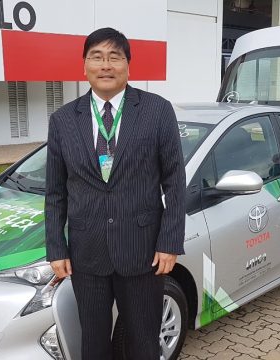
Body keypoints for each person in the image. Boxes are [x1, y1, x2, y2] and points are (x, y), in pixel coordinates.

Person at [45, 27, 186, 360]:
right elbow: (55, 192)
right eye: (97, 56)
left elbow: (174, 181)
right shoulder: (63, 120)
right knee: (93, 342)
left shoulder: (157, 111)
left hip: (143, 252)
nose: (105, 65)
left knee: (143, 341)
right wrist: (56, 246)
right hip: (86, 253)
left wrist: (169, 241)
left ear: (128, 65)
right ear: (84, 66)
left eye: (114, 57)